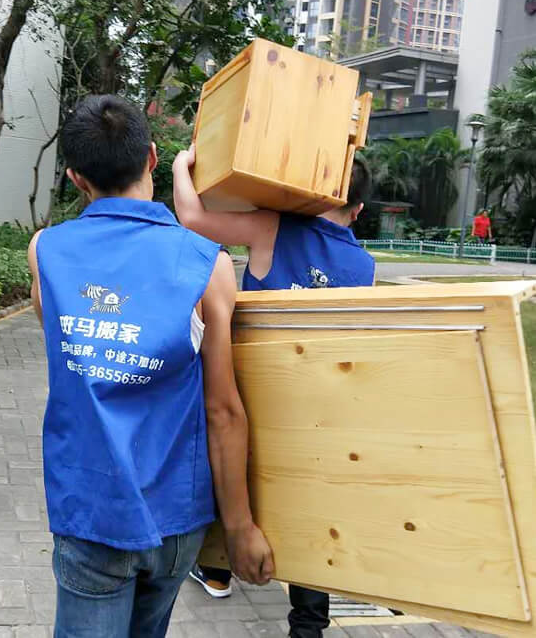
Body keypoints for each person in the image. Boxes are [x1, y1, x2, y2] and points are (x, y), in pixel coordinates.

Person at [27, 95, 274, 638]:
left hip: (91, 512)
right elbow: (223, 409)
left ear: (75, 178)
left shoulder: (45, 251)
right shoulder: (208, 264)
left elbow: (64, 348)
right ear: (152, 158)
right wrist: (240, 527)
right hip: (175, 519)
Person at [172, 144, 375, 638]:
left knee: (228, 469)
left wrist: (181, 165)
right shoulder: (364, 266)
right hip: (316, 410)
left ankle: (216, 569)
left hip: (250, 399)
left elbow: (192, 219)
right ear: (358, 210)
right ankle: (308, 624)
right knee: (309, 505)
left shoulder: (273, 227)